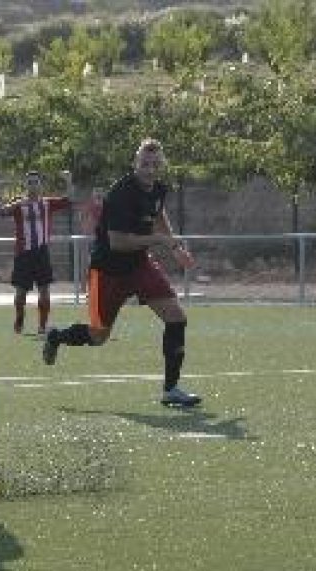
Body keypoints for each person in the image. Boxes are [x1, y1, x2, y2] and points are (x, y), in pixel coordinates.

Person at [42, 139, 201, 408]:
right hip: (107, 271)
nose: (149, 170)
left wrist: (174, 245)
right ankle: (57, 336)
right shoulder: (120, 194)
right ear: (134, 164)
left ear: (160, 165)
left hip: (139, 265)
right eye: (144, 164)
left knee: (177, 318)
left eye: (154, 164)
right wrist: (160, 241)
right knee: (97, 336)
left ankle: (171, 389)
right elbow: (117, 242)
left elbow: (158, 213)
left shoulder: (158, 189)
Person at [0, 170, 72, 336]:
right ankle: (19, 318)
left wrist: (68, 181)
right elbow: (2, 212)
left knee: (44, 290)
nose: (32, 185)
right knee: (20, 294)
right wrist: (16, 204)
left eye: (35, 182)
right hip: (23, 253)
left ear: (40, 185)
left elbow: (68, 200)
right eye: (29, 182)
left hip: (41, 252)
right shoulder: (19, 203)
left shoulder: (47, 203)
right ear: (25, 185)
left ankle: (42, 326)